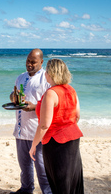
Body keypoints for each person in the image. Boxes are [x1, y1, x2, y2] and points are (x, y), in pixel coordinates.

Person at [29, 59, 84, 194]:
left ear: (51, 73)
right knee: (72, 179)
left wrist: (34, 145)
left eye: (47, 71)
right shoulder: (71, 90)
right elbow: (77, 115)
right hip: (73, 138)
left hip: (56, 142)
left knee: (59, 181)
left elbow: (44, 125)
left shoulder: (51, 93)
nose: (45, 74)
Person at [9, 49, 52, 194]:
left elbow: (50, 103)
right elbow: (13, 95)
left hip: (37, 130)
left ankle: (47, 192)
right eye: (28, 61)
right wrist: (13, 97)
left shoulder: (46, 79)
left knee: (41, 166)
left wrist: (33, 106)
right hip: (21, 128)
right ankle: (26, 189)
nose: (29, 64)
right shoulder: (20, 77)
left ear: (41, 62)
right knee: (24, 165)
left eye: (33, 62)